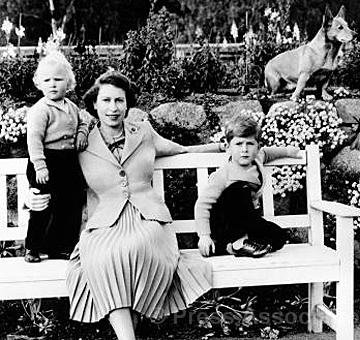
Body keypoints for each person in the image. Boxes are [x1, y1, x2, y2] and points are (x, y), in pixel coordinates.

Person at [27, 70, 223, 340]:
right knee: (105, 257)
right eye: (106, 100)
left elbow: (179, 149)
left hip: (148, 218)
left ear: (128, 104)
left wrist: (218, 148)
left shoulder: (143, 133)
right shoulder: (80, 143)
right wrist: (31, 197)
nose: (113, 108)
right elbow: (54, 176)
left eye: (119, 101)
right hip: (104, 223)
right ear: (94, 104)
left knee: (140, 248)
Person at [195, 114, 301, 258]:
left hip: (247, 220)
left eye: (250, 144)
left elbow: (268, 153)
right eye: (238, 144)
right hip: (224, 221)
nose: (244, 149)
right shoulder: (224, 173)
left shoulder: (257, 158)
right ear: (228, 147)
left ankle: (234, 247)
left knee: (278, 236)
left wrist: (288, 151)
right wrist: (204, 236)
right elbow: (202, 205)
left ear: (257, 146)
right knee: (239, 189)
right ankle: (236, 242)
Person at [25, 51, 89, 263]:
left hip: (67, 161)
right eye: (47, 80)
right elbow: (33, 139)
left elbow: (83, 122)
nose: (52, 84)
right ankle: (32, 247)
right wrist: (40, 167)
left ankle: (58, 246)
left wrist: (81, 133)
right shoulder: (41, 110)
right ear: (39, 84)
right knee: (42, 204)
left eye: (58, 79)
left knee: (69, 203)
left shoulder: (71, 107)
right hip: (45, 160)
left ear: (68, 83)